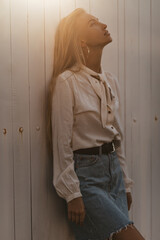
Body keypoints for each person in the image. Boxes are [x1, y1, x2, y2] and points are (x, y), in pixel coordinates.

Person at [48, 8, 145, 240]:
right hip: (87, 178)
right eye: (93, 23)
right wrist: (72, 193)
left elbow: (116, 136)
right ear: (81, 41)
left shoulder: (109, 81)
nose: (102, 25)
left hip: (114, 174)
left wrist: (126, 184)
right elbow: (62, 143)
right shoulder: (67, 82)